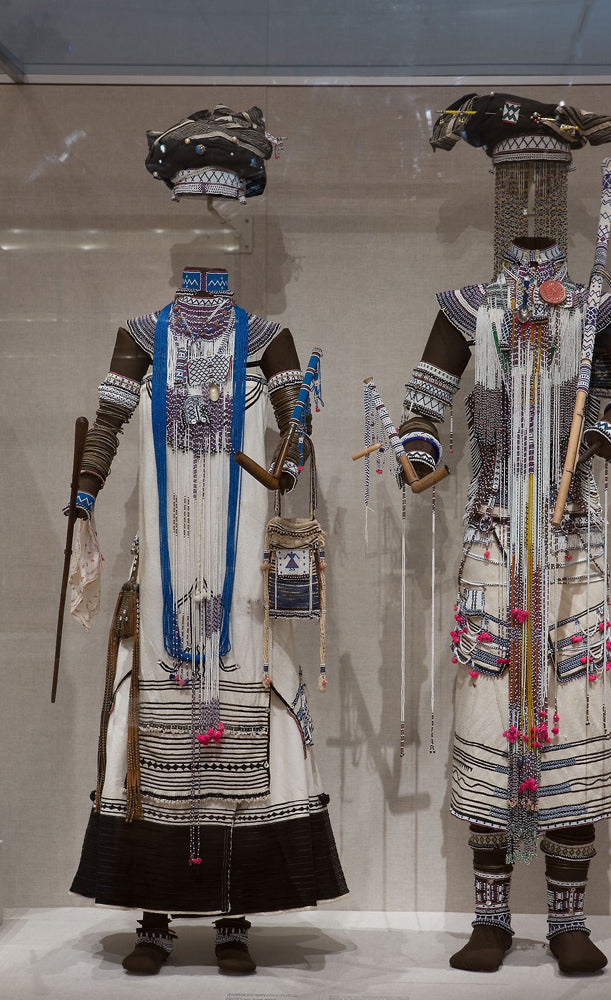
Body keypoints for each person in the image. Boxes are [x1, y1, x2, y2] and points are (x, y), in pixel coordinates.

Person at [398, 95, 611, 974]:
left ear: (561, 188)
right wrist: (416, 445)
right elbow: (424, 399)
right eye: (513, 180)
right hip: (492, 536)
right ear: (496, 190)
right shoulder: (466, 306)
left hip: (573, 541)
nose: (527, 198)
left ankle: (567, 920)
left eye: (542, 181)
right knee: (490, 707)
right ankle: (489, 918)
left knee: (574, 712)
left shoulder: (600, 304)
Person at [67, 262, 346, 975]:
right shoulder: (141, 337)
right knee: (153, 728)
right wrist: (86, 491)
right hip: (164, 569)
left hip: (244, 572)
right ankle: (154, 915)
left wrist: (292, 456)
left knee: (247, 723)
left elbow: (297, 428)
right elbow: (107, 424)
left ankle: (233, 915)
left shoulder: (269, 339)